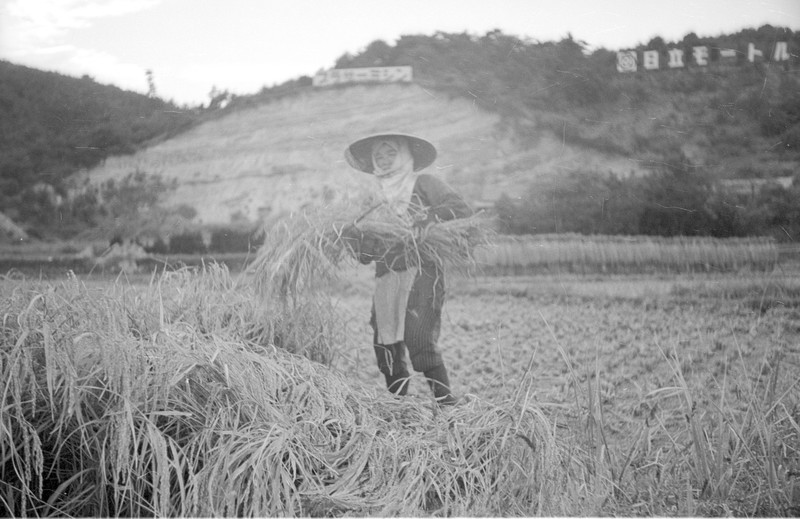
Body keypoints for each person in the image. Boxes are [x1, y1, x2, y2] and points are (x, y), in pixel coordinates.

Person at [343, 133, 472, 405]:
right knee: (385, 343)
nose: (384, 160)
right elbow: (365, 256)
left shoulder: (423, 183)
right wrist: (352, 236)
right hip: (387, 277)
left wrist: (428, 219)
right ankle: (399, 410)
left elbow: (459, 208)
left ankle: (448, 407)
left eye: (391, 153)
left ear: (405, 155)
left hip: (421, 270)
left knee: (419, 337)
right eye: (379, 156)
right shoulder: (372, 201)